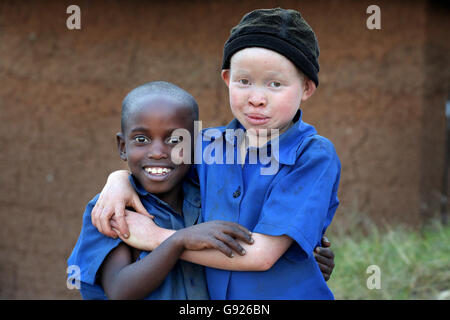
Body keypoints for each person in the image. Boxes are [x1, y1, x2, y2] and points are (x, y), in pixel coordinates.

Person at [91, 8, 340, 299]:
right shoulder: (207, 145)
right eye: (244, 81)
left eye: (275, 84)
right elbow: (156, 168)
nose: (256, 99)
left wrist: (159, 239)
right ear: (226, 78)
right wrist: (118, 179)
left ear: (307, 88)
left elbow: (263, 255)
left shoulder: (312, 156)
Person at [67, 81, 255, 299]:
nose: (157, 152)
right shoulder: (113, 210)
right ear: (122, 147)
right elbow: (120, 289)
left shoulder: (208, 191)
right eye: (141, 139)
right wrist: (178, 241)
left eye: (175, 140)